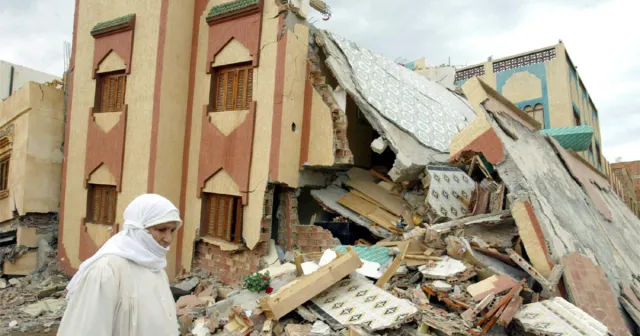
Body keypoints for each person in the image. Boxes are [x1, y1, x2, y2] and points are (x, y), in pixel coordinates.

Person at [58, 194, 181, 336]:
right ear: (138, 229)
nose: (168, 239)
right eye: (161, 229)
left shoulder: (157, 269)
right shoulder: (106, 271)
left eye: (172, 230)